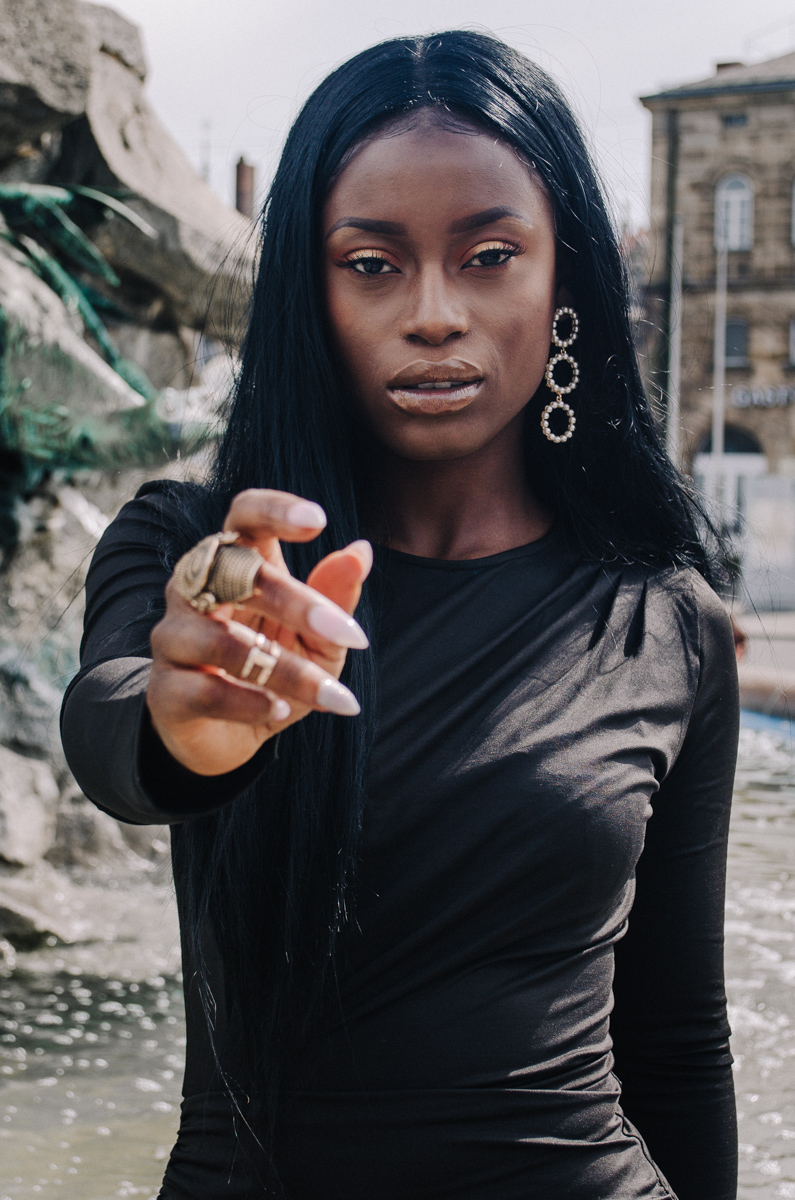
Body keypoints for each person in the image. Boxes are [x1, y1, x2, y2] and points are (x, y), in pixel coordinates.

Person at [61, 30, 739, 1200]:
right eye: (372, 264)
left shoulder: (663, 620)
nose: (434, 313)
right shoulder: (199, 554)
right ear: (308, 295)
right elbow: (111, 728)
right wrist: (189, 726)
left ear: (562, 277)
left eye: (488, 256)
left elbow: (680, 1042)